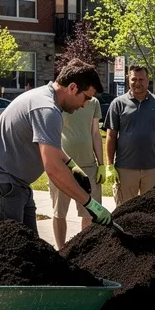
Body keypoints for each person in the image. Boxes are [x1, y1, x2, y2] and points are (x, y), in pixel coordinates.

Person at [0, 58, 111, 231]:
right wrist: (91, 205)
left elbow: (52, 148)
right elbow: (53, 169)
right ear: (72, 87)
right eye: (86, 98)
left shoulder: (47, 99)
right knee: (5, 250)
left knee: (31, 248)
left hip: (16, 183)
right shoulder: (47, 110)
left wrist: (71, 165)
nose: (85, 105)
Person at [106, 65, 155, 204]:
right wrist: (110, 165)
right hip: (125, 169)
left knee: (151, 211)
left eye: (141, 79)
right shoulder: (118, 104)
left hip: (152, 169)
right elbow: (111, 136)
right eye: (133, 79)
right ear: (128, 80)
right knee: (123, 212)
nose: (137, 83)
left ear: (148, 81)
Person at [49, 93, 105, 249]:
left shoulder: (93, 102)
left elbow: (95, 132)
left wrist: (101, 164)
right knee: (59, 212)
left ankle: (83, 252)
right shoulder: (60, 101)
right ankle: (61, 250)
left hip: (89, 166)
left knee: (89, 213)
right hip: (62, 166)